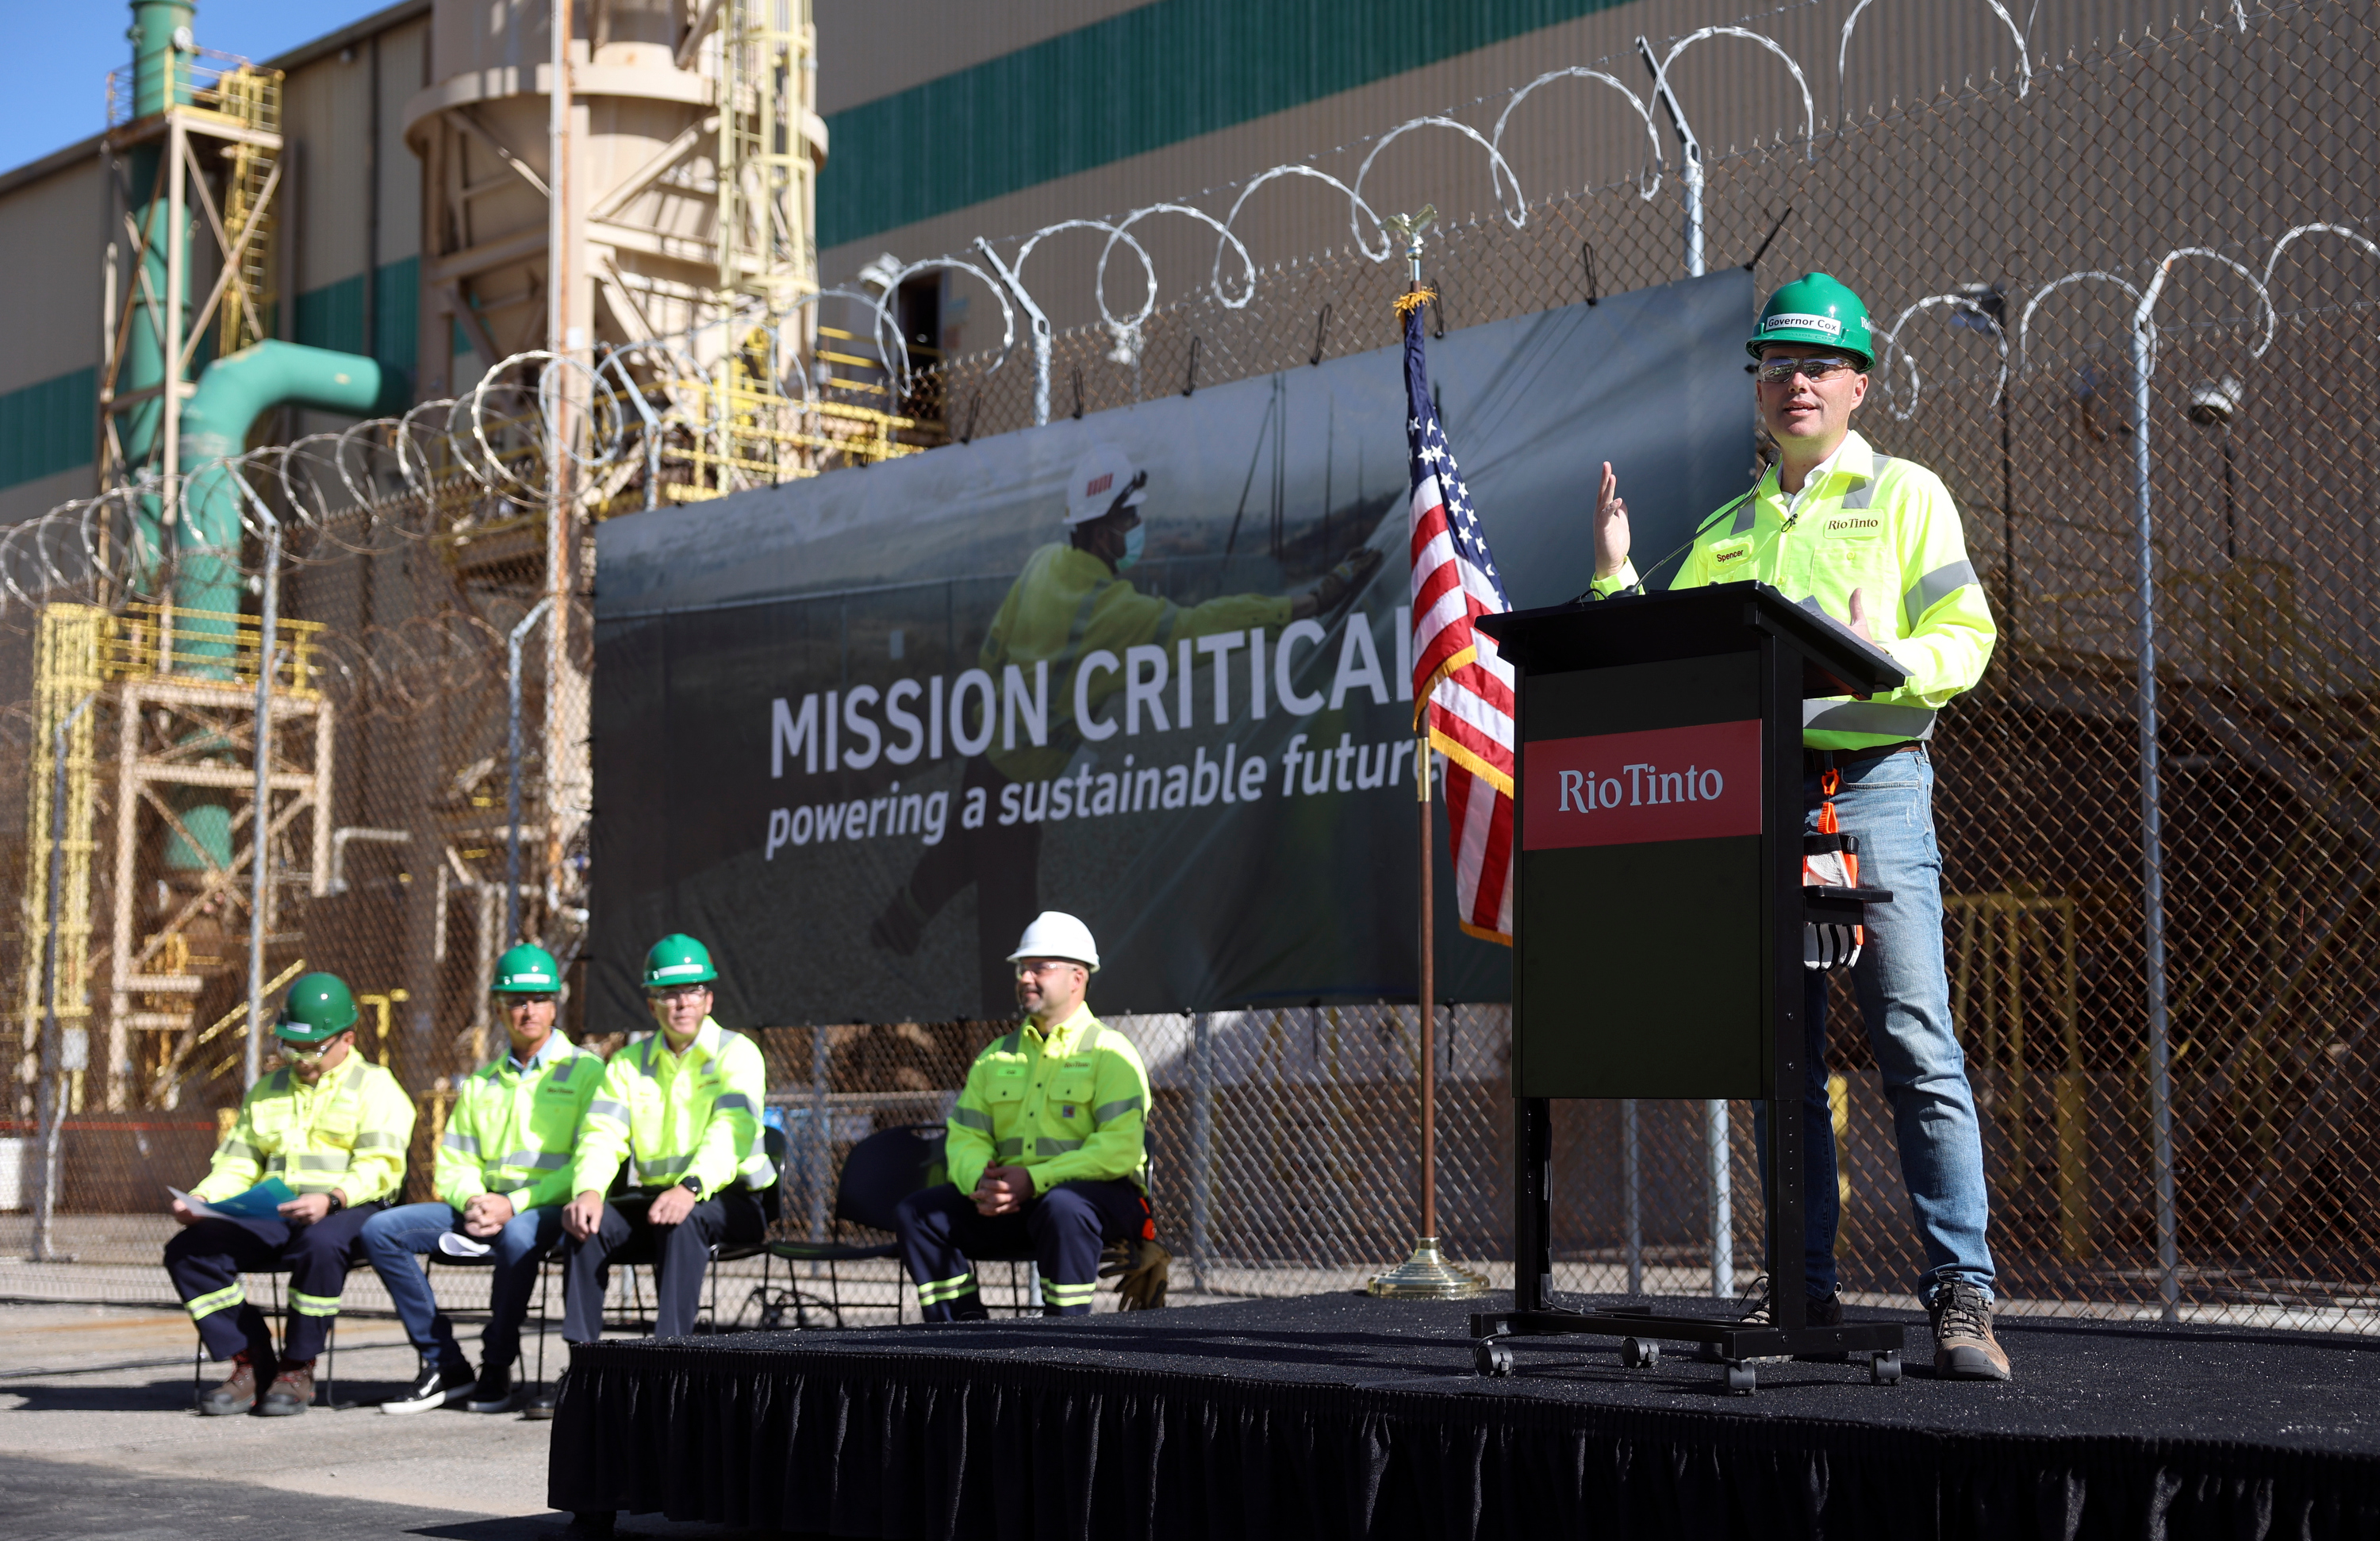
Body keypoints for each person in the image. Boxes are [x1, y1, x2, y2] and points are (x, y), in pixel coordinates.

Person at [1588, 273, 2009, 1381]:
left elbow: (1967, 635)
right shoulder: (1729, 527)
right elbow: (1672, 664)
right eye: (1777, 367)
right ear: (1758, 389)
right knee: (1784, 1058)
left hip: (1872, 787)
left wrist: (1886, 659)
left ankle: (1962, 1296)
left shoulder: (1909, 495)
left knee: (1915, 1039)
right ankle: (1804, 1287)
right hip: (1760, 802)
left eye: (1819, 365)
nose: (1796, 383)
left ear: (1860, 384)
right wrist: (1619, 578)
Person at [869, 443, 1383, 1013]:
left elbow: (993, 650)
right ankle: (1008, 1029)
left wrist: (987, 724)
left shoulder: (1042, 564)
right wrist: (1306, 603)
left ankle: (894, 930)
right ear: (1099, 530)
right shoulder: (1112, 611)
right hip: (1021, 783)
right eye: (1128, 518)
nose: (1137, 528)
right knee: (1009, 910)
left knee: (959, 855)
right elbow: (1204, 626)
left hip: (988, 760)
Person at [361, 944, 601, 1416]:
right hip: (485, 1208)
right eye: (516, 1000)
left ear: (555, 1004)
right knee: (380, 1231)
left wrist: (516, 1204)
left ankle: (496, 1366)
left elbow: (592, 1159)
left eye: (537, 998)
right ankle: (445, 1363)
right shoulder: (482, 1082)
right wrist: (473, 1198)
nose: (526, 1009)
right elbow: (454, 1160)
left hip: (547, 1209)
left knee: (516, 1235)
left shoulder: (588, 1072)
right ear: (498, 1008)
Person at [165, 972, 417, 1416]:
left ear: (347, 1039)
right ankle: (253, 1361)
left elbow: (381, 1166)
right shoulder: (267, 1092)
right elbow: (238, 1163)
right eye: (290, 1046)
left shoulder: (377, 1088)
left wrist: (332, 1199)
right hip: (277, 1211)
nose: (300, 1058)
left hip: (350, 1208)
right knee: (188, 1251)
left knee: (321, 1242)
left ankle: (298, 1367)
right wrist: (201, 1201)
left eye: (311, 1048)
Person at [894, 911, 1157, 1320]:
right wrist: (982, 1183)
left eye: (1040, 968)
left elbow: (1120, 1150)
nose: (1025, 978)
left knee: (1063, 1207)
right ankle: (961, 1340)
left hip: (1095, 1199)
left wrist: (1033, 1180)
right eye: (1022, 968)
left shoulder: (1111, 1052)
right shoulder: (996, 1056)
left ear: (1077, 977)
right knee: (917, 1213)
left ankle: (1065, 1345)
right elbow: (964, 1136)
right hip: (1012, 1202)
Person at [559, 933, 775, 1343]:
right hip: (657, 1200)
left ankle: (670, 1362)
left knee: (684, 1221)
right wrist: (587, 1191)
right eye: (667, 993)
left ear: (708, 1000)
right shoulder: (626, 1064)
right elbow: (601, 1134)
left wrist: (690, 1187)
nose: (681, 1003)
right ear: (651, 1004)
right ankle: (582, 1367)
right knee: (586, 1224)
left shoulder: (738, 1054)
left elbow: (732, 1131)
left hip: (733, 1201)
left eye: (692, 991)